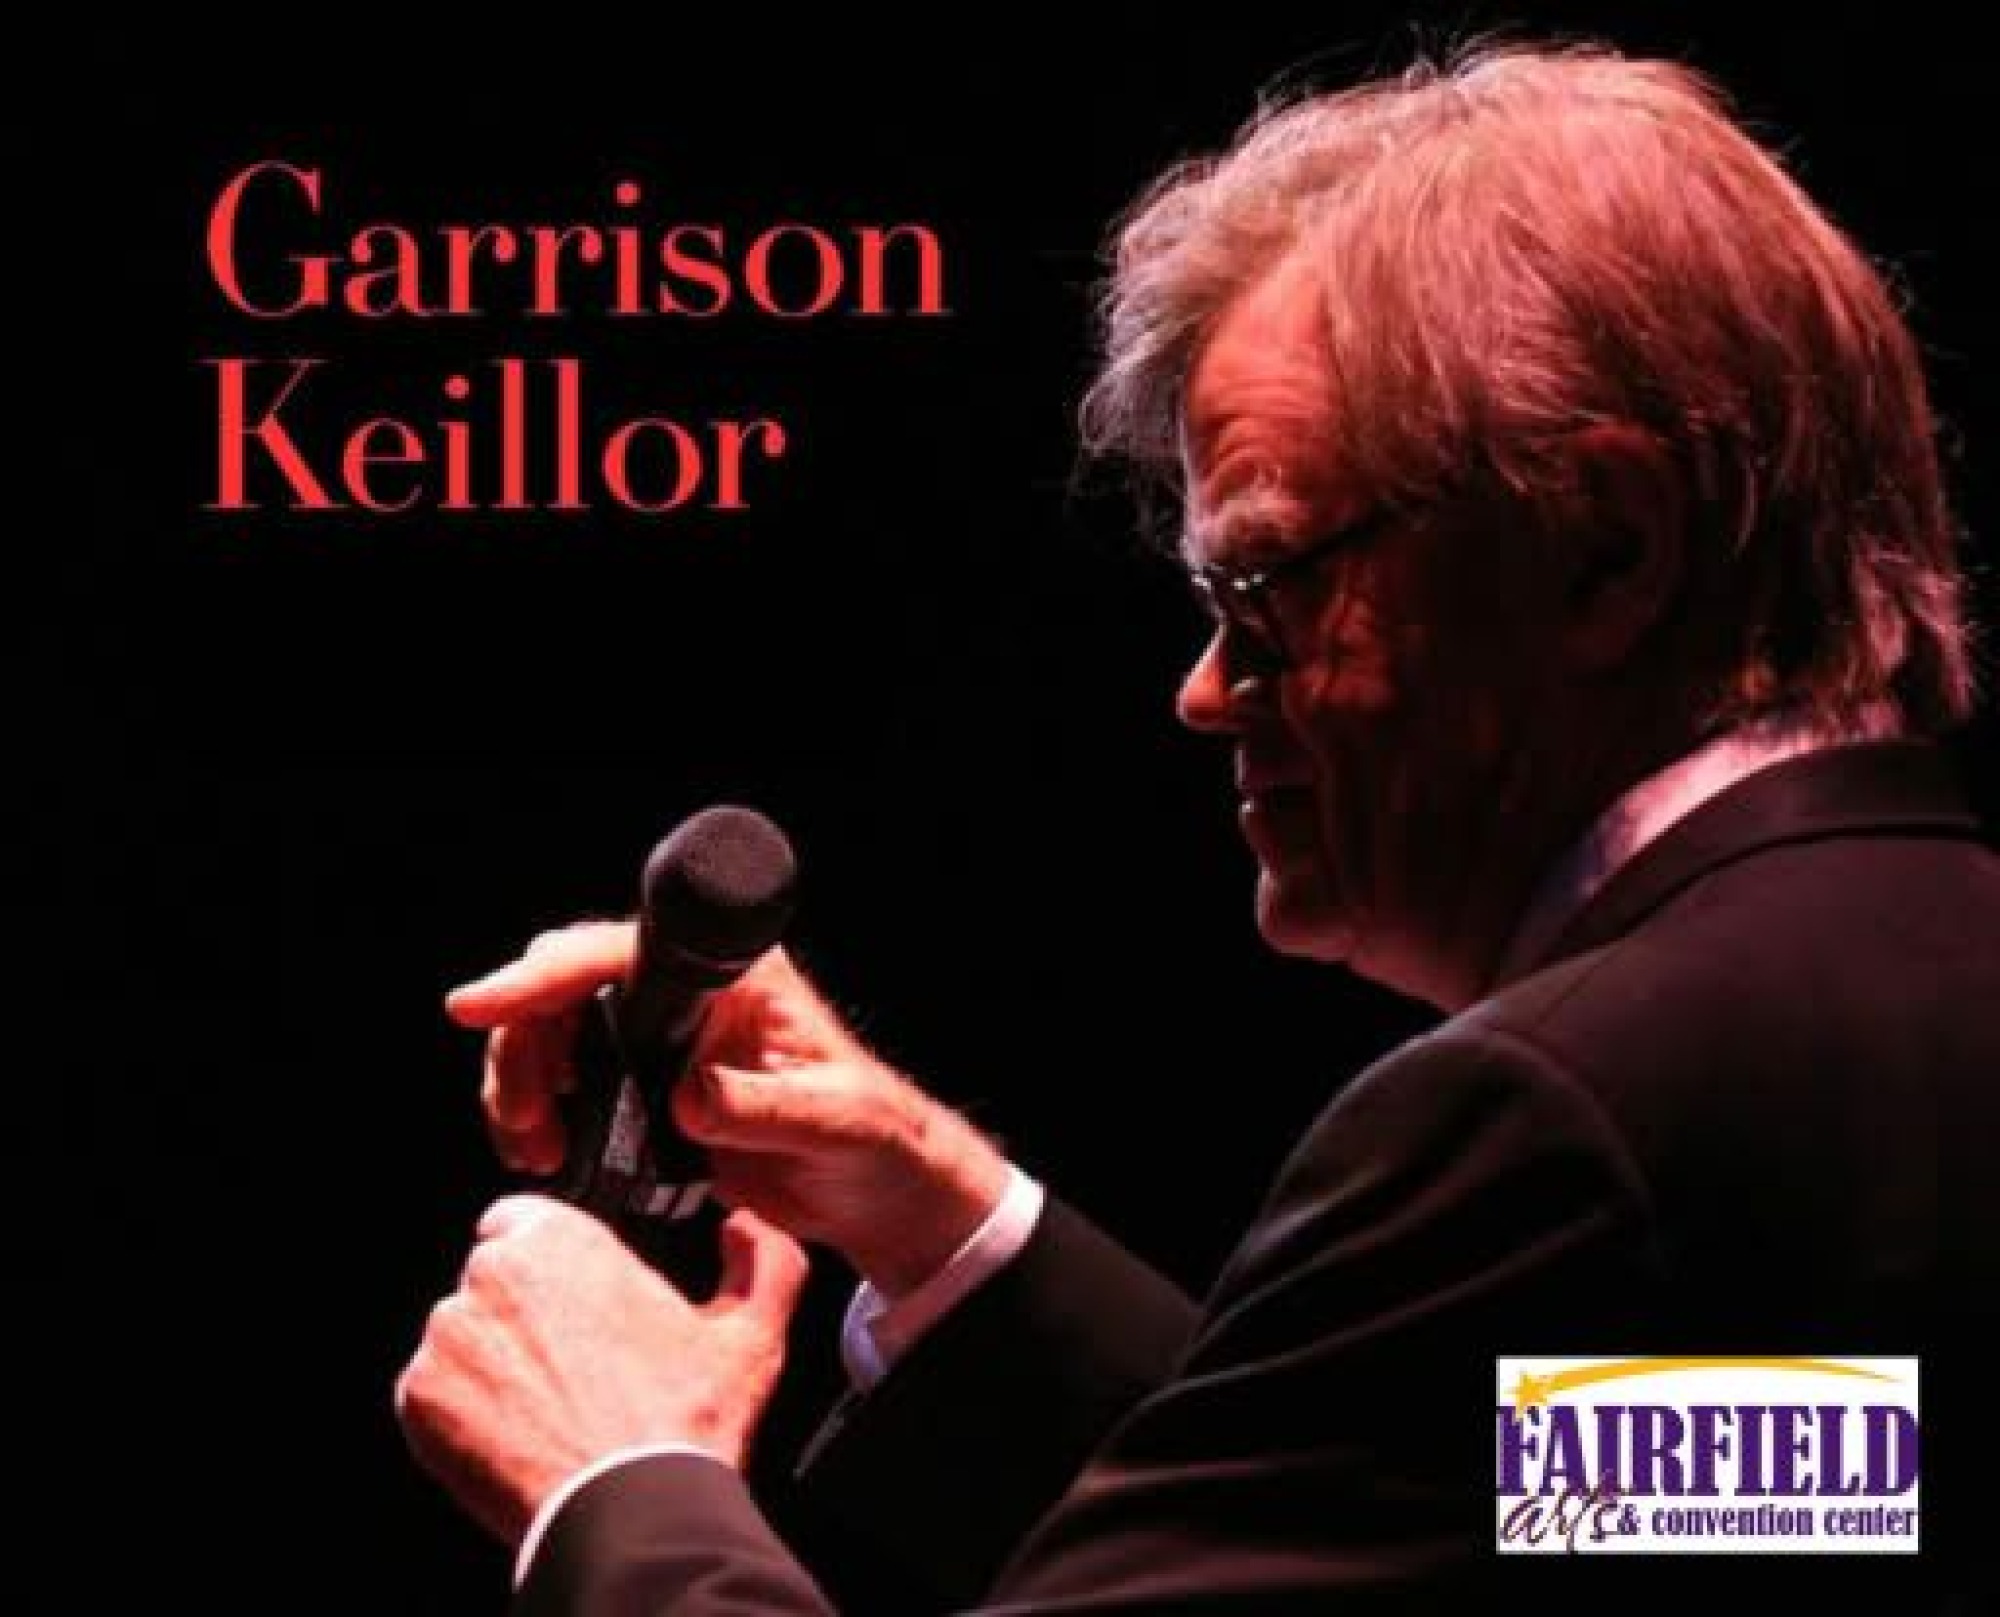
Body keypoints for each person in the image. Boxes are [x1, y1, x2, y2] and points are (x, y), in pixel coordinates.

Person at [395, 41, 2000, 1612]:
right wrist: (941, 1224)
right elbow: (1541, 1501)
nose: (1206, 691)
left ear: (1604, 549)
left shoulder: (1558, 1119)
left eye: (1264, 587)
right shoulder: (1904, 1017)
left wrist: (621, 1481)